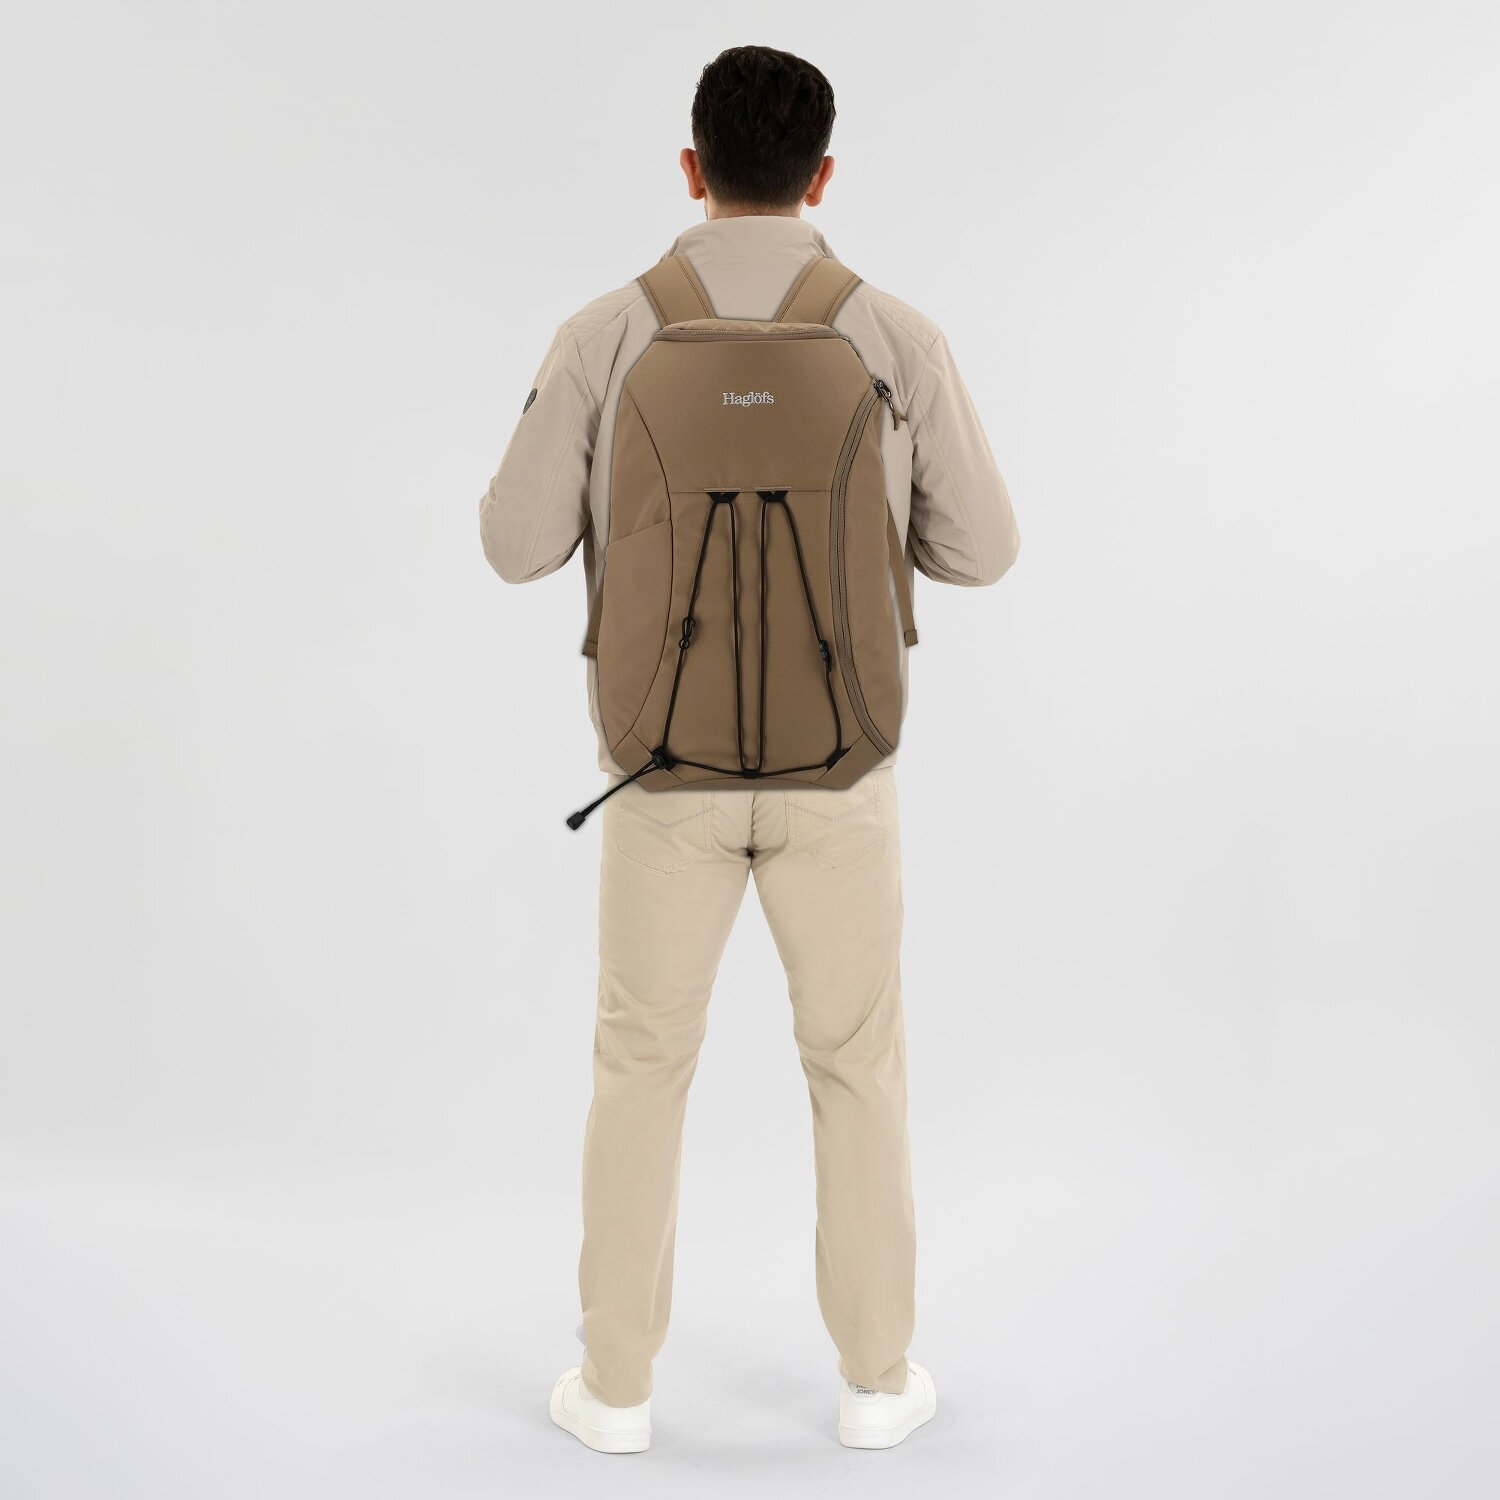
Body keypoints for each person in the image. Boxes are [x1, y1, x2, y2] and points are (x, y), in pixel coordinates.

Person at [480, 44, 1019, 1454]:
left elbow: (514, 546)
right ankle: (877, 1382)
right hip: (844, 775)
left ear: (691, 168)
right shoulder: (895, 335)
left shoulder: (606, 333)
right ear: (822, 177)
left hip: (661, 776)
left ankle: (615, 1393)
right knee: (856, 1064)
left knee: (641, 1065)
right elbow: (983, 550)